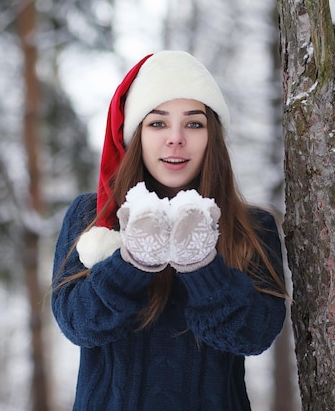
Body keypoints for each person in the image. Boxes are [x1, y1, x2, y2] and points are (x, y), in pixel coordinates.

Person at [51, 50, 287, 411]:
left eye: (194, 123)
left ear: (212, 136)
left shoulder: (251, 226)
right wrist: (131, 263)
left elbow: (255, 334)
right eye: (158, 123)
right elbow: (78, 324)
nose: (176, 138)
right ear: (136, 136)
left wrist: (202, 266)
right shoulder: (92, 217)